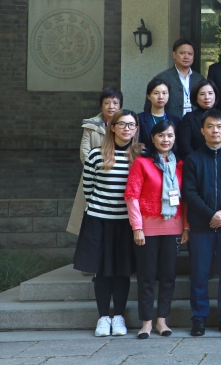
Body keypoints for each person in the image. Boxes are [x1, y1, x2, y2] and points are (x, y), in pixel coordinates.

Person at [72, 109, 142, 338]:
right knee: (102, 271)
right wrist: (101, 209)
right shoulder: (96, 155)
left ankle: (119, 316)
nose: (127, 129)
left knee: (122, 271)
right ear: (112, 127)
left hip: (126, 223)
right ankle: (103, 317)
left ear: (136, 129)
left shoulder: (140, 156)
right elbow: (88, 188)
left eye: (131, 125)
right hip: (99, 221)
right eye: (122, 124)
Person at [125, 120, 188, 339]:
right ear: (152, 138)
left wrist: (186, 227)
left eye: (170, 135)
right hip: (147, 229)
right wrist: (137, 227)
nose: (165, 139)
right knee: (146, 277)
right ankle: (146, 323)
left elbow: (185, 199)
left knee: (168, 276)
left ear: (175, 138)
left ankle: (162, 320)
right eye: (161, 135)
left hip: (174, 227)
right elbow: (132, 196)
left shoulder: (180, 165)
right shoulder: (142, 163)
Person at [181, 109, 221, 337]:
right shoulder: (193, 159)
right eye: (210, 126)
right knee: (199, 274)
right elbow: (189, 192)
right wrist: (211, 215)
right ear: (202, 130)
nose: (215, 130)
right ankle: (199, 318)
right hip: (201, 227)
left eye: (219, 126)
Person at [67, 88, 123, 236]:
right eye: (107, 103)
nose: (111, 106)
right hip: (94, 177)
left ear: (120, 106)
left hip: (119, 179)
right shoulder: (91, 126)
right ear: (101, 106)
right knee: (91, 221)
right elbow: (84, 153)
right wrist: (101, 170)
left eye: (115, 103)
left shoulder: (127, 126)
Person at [143, 39, 203, 118]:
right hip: (169, 123)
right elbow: (149, 106)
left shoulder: (199, 79)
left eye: (190, 54)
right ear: (174, 54)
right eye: (182, 53)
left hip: (195, 122)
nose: (186, 57)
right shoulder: (162, 78)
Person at [177, 79, 219, 158]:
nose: (207, 97)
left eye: (210, 93)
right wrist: (197, 161)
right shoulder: (188, 118)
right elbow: (184, 145)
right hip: (195, 161)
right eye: (202, 94)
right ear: (196, 97)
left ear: (215, 95)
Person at [138, 78, 181, 152]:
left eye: (164, 93)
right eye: (156, 93)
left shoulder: (175, 120)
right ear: (148, 96)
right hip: (146, 157)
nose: (161, 97)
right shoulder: (139, 119)